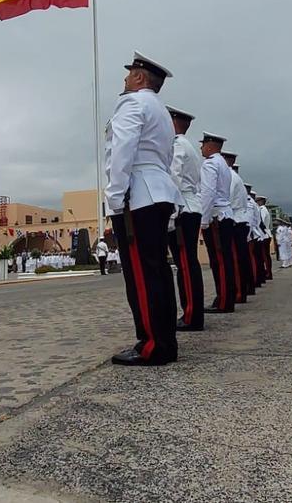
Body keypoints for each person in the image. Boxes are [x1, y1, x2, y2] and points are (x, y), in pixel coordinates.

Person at [103, 51, 182, 366]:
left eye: (128, 73)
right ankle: (164, 341)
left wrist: (115, 195)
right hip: (157, 192)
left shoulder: (133, 103)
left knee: (141, 274)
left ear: (139, 77)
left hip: (137, 195)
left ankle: (152, 344)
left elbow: (122, 151)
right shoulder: (160, 110)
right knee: (157, 271)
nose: (124, 79)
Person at [165, 105, 205, 331]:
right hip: (190, 206)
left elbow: (174, 179)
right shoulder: (188, 146)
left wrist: (170, 213)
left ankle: (191, 315)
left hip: (183, 209)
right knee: (187, 262)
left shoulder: (177, 145)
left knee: (186, 264)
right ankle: (192, 312)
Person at [198, 132, 237, 314]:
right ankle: (225, 297)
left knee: (219, 261)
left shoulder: (210, 164)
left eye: (203, 144)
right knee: (225, 260)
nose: (201, 148)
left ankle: (223, 300)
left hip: (216, 217)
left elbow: (208, 193)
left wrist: (203, 220)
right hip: (225, 215)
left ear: (210, 145)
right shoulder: (222, 164)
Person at [222, 153, 252, 302]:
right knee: (239, 258)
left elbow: (225, 198)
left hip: (235, 220)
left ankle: (239, 292)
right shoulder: (234, 176)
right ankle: (241, 290)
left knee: (235, 259)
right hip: (239, 220)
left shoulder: (230, 177)